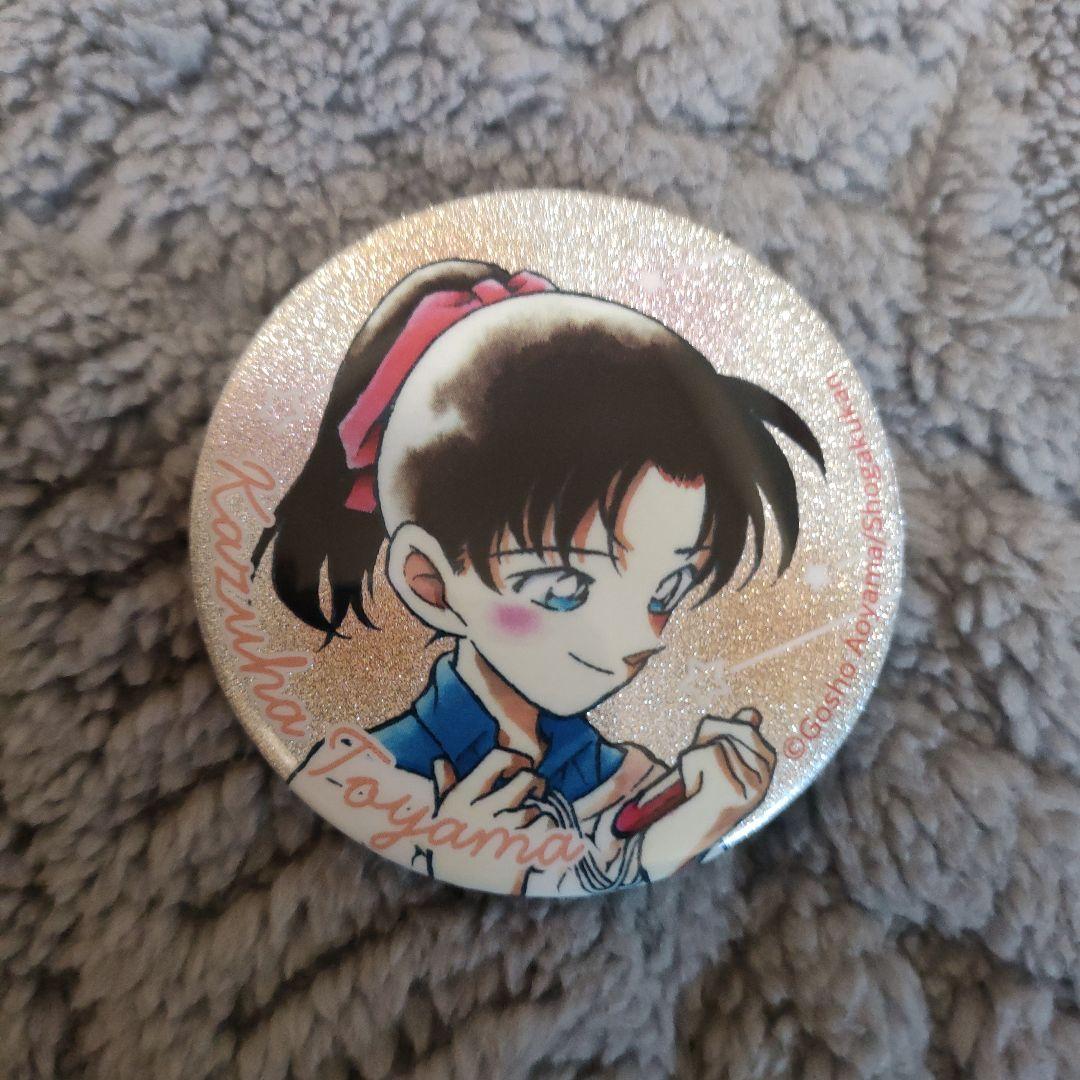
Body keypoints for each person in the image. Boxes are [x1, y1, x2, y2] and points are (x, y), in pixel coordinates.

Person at [256, 260, 824, 894]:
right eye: (562, 588)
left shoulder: (627, 782)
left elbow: (611, 878)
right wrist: (452, 851)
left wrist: (688, 827)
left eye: (667, 590)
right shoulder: (369, 781)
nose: (640, 638)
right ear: (430, 584)